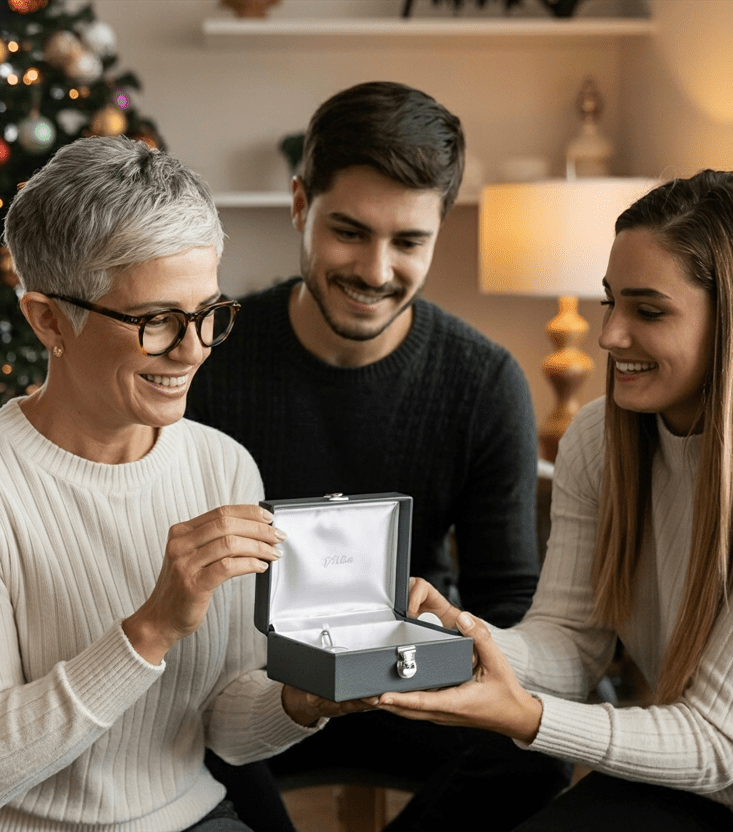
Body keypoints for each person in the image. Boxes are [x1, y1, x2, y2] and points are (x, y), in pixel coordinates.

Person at [374, 169, 733, 830]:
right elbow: (569, 645)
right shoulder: (600, 439)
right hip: (702, 792)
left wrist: (528, 717)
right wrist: (461, 638)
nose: (609, 336)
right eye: (610, 303)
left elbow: (714, 740)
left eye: (648, 311)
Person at [0, 137, 362, 832]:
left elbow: (227, 729)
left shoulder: (222, 466)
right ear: (49, 319)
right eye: (156, 321)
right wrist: (150, 630)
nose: (194, 348)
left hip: (190, 816)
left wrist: (308, 700)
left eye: (207, 313)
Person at [187, 81, 570, 831]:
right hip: (245, 690)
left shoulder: (485, 381)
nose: (375, 269)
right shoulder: (211, 359)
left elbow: (508, 599)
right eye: (349, 231)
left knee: (535, 757)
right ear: (301, 206)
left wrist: (452, 646)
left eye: (408, 241)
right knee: (165, 744)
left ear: (439, 232)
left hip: (414, 686)